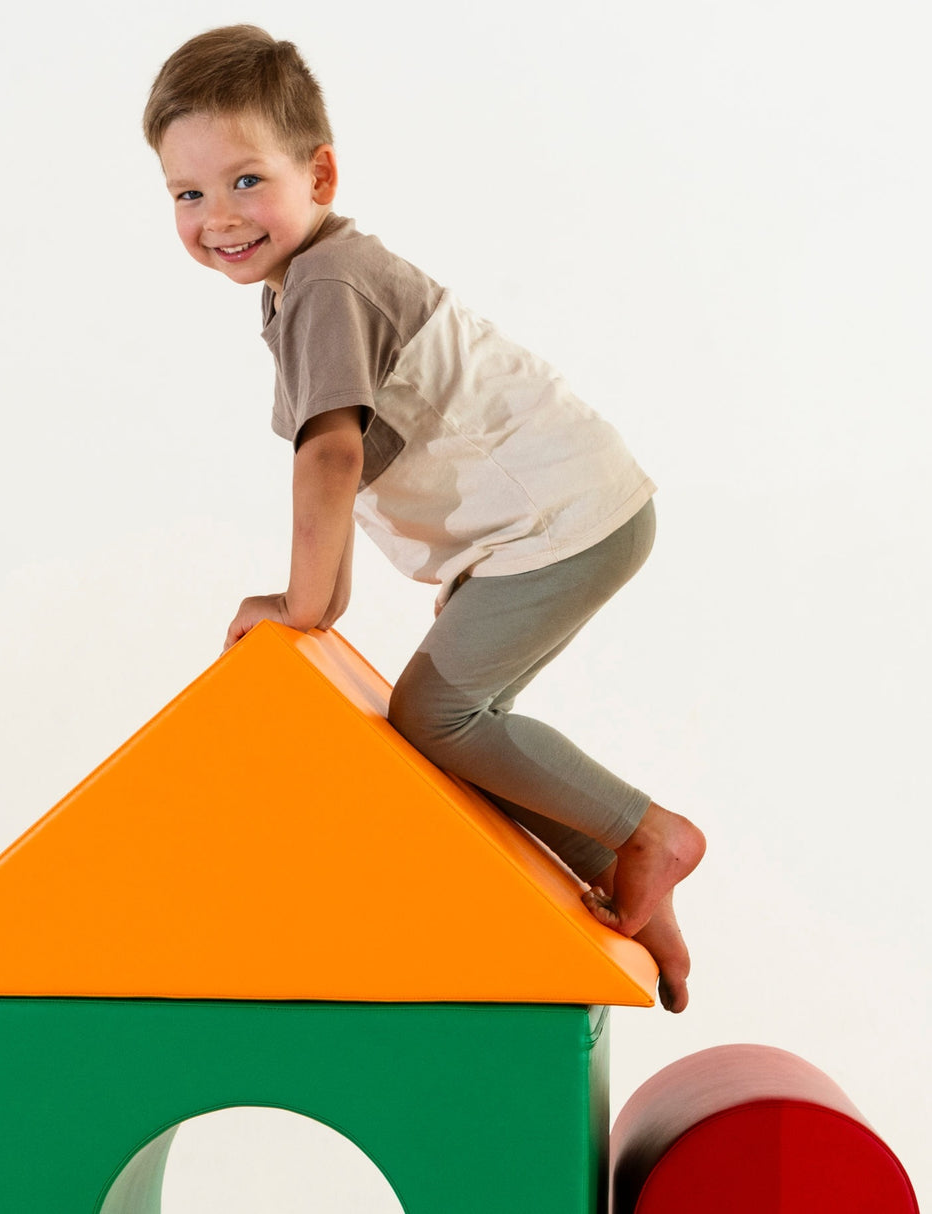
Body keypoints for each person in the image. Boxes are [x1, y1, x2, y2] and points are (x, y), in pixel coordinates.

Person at [143, 25, 705, 1012]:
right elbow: (342, 452)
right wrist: (322, 596)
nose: (216, 217)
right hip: (556, 519)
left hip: (558, 522)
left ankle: (647, 830)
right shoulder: (310, 283)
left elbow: (330, 452)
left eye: (243, 181)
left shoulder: (323, 285)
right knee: (461, 734)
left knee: (435, 717)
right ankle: (629, 879)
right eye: (186, 194)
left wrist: (302, 602)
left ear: (317, 172)